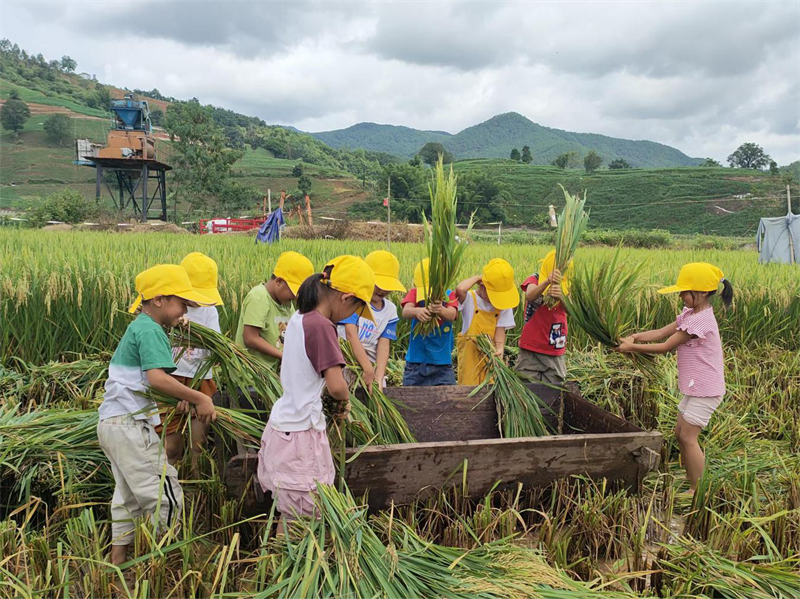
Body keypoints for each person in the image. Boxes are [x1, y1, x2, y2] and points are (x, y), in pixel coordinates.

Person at [98, 265, 218, 566]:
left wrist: (179, 399)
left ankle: (118, 560)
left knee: (127, 498)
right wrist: (200, 396)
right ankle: (168, 562)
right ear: (159, 300)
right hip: (129, 425)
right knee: (166, 494)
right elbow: (157, 378)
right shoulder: (151, 330)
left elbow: (150, 382)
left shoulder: (141, 326)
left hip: (112, 422)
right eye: (182, 304)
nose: (184, 311)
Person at [257, 255, 375, 522]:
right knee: (304, 517)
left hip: (285, 426)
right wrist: (345, 402)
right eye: (356, 309)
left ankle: (285, 561)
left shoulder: (300, 317)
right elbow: (336, 386)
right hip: (300, 437)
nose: (353, 316)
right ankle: (291, 561)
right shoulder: (322, 326)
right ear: (345, 298)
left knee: (292, 518)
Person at [616, 263, 733, 496]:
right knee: (680, 433)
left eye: (684, 291)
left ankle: (697, 490)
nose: (680, 296)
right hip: (695, 386)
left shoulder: (701, 321)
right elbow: (661, 332)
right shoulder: (690, 313)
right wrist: (634, 336)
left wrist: (632, 347)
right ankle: (692, 479)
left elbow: (665, 345)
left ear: (700, 293)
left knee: (688, 437)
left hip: (706, 388)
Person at [164, 252, 224, 467]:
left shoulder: (210, 310)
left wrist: (195, 333)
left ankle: (195, 483)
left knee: (198, 444)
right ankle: (169, 483)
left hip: (201, 381)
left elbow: (215, 344)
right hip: (172, 380)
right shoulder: (169, 308)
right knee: (172, 445)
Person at [338, 250, 405, 390]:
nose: (383, 290)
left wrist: (379, 378)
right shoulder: (355, 301)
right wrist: (367, 369)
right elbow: (351, 335)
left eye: (387, 286)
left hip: (372, 367)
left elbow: (384, 345)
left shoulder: (390, 310)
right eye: (378, 284)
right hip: (346, 364)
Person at [235, 251, 314, 368]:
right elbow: (250, 338)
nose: (294, 298)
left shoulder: (286, 303)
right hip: (252, 374)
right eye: (293, 292)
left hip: (272, 372)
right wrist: (285, 357)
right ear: (279, 282)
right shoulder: (259, 297)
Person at [455, 258, 520, 385]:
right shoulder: (470, 299)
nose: (497, 301)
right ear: (482, 287)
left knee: (491, 389)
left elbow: (500, 329)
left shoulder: (504, 304)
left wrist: (500, 347)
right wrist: (479, 278)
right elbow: (460, 289)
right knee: (469, 393)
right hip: (470, 360)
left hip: (491, 358)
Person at [515, 249, 571, 386]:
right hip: (531, 346)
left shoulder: (569, 284)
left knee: (554, 388)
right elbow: (530, 295)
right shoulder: (534, 279)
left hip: (554, 346)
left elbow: (573, 311)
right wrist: (546, 282)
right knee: (526, 385)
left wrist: (561, 297)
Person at [401, 258, 458, 386]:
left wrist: (441, 310)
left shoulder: (449, 294)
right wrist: (417, 312)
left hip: (442, 365)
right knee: (411, 400)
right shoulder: (415, 293)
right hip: (416, 364)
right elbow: (405, 311)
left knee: (447, 401)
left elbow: (452, 314)